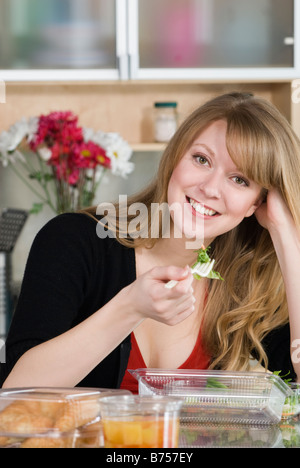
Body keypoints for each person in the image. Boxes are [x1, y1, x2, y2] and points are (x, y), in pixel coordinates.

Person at [1, 92, 300, 391]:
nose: (210, 188)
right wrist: (130, 307)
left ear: (256, 203)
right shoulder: (75, 241)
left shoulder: (244, 281)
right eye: (201, 159)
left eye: (240, 180)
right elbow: (15, 392)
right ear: (175, 159)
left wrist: (284, 232)